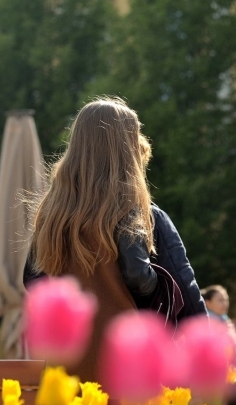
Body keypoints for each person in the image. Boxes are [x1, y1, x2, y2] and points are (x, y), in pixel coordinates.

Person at [26, 97, 158, 383]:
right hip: (118, 351)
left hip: (67, 355)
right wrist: (158, 280)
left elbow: (32, 278)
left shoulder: (53, 206)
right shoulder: (124, 201)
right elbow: (137, 275)